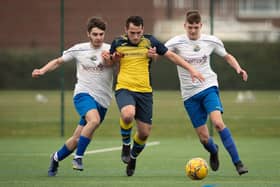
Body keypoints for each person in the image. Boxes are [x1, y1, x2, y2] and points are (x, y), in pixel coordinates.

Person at [109, 16, 205, 177]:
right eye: (132, 33)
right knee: (127, 114)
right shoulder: (117, 42)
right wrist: (114, 59)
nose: (135, 36)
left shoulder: (150, 41)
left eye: (138, 33)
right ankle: (126, 145)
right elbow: (108, 62)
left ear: (143, 30)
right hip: (124, 87)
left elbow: (172, 56)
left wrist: (192, 69)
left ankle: (132, 157)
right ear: (126, 30)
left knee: (144, 133)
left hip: (145, 92)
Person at [165, 10, 249, 175]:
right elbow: (159, 52)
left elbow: (227, 56)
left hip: (208, 87)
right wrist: (151, 54)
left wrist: (238, 68)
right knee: (204, 138)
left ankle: (238, 163)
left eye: (196, 27)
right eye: (190, 27)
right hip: (189, 96)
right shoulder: (175, 42)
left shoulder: (211, 41)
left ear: (201, 26)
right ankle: (213, 150)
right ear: (185, 26)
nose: (193, 31)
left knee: (218, 123)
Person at [32, 17, 114, 176]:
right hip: (83, 95)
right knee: (94, 120)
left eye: (101, 34)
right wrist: (42, 70)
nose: (98, 37)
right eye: (95, 34)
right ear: (88, 34)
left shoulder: (111, 50)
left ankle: (55, 158)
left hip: (103, 101)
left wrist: (112, 60)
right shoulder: (79, 49)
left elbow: (120, 65)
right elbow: (58, 61)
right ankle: (78, 157)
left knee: (77, 139)